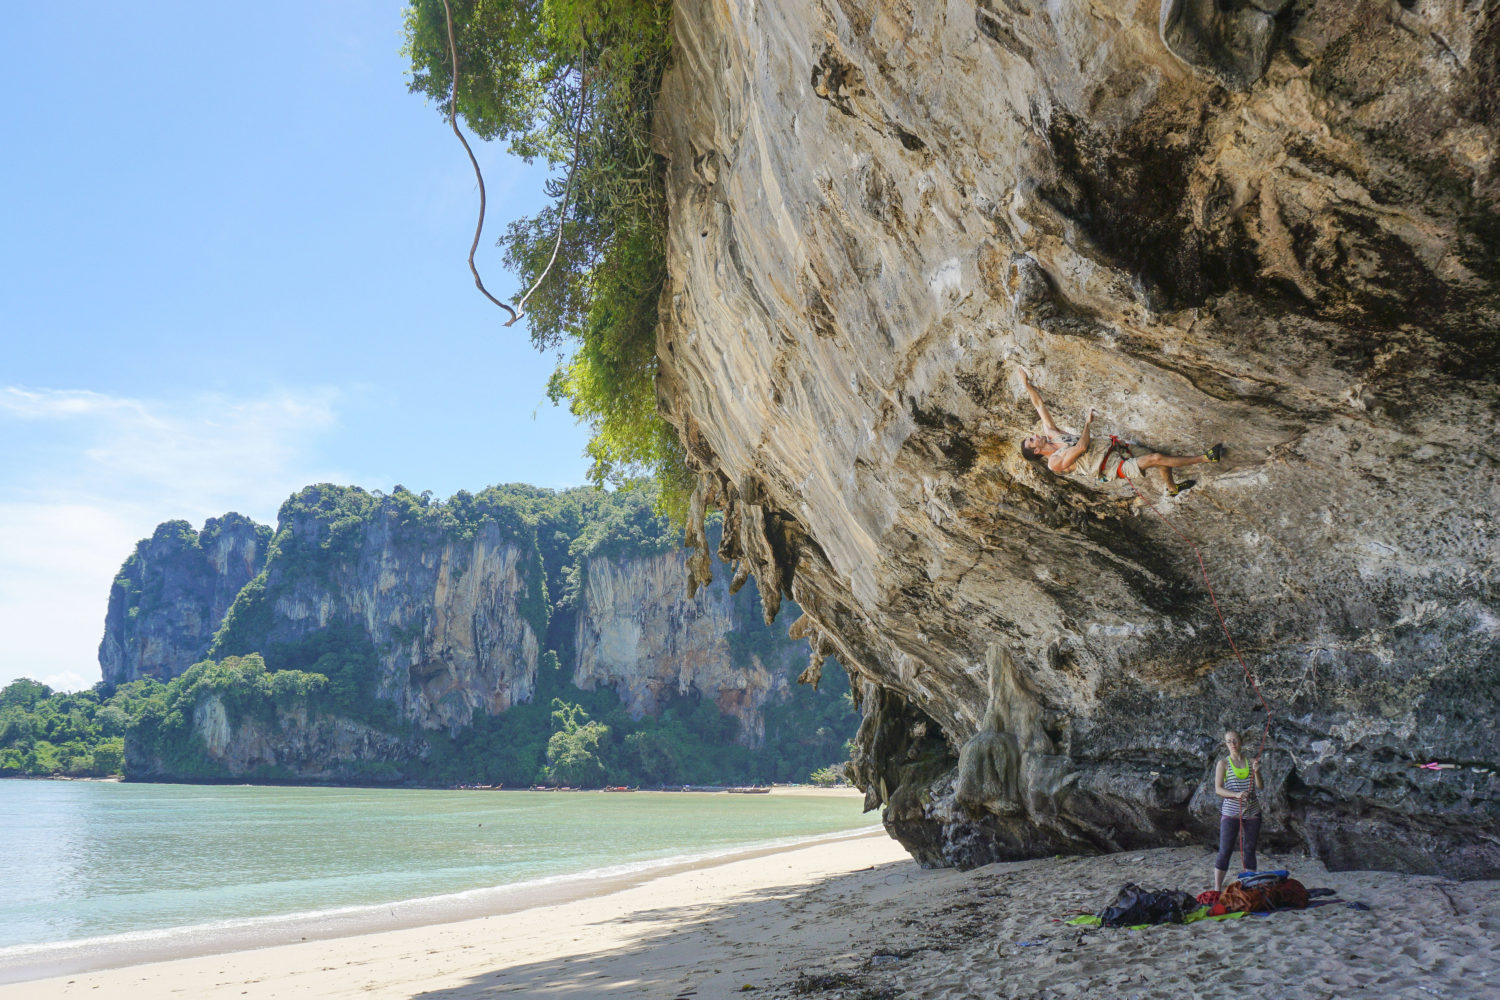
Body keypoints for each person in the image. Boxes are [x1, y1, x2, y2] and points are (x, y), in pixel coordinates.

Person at [1017, 366, 1224, 495]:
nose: (1036, 436)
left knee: (1163, 461)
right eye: (1032, 440)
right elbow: (1081, 447)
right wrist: (1087, 423)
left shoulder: (1053, 435)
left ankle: (1172, 489)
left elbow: (1039, 406)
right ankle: (1206, 458)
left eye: (1032, 436)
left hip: (1116, 450)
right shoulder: (1054, 463)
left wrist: (1026, 384)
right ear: (1037, 451)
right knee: (1156, 458)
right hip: (1113, 468)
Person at [1212, 729, 1264, 891]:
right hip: (1231, 812)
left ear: (1241, 742)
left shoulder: (1251, 762)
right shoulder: (1223, 764)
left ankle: (1250, 886)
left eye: (1235, 740)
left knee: (1249, 849)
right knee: (1225, 850)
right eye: (1229, 741)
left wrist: (1257, 772)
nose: (1232, 744)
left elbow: (1260, 786)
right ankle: (1217, 888)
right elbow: (1218, 789)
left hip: (1252, 812)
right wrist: (1236, 794)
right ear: (1226, 744)